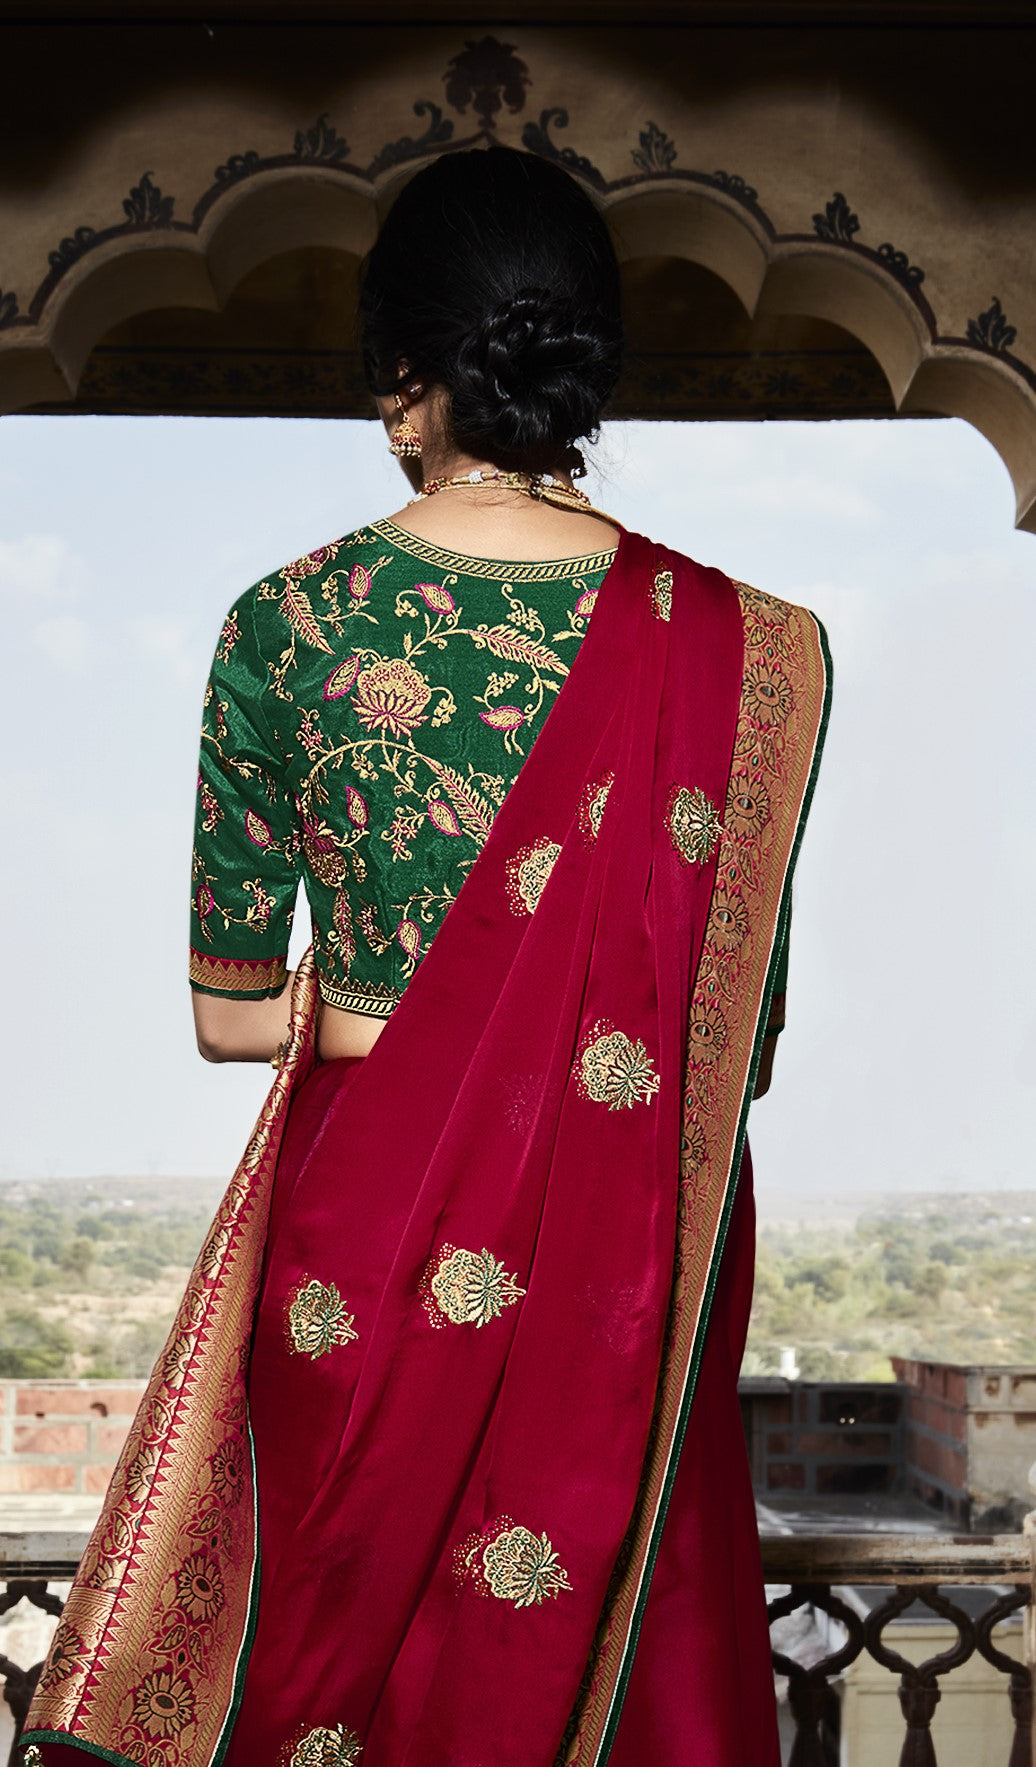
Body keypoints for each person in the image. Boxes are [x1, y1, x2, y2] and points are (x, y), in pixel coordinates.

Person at [23, 144, 830, 1767]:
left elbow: (231, 1018)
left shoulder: (289, 626)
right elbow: (732, 1048)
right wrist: (540, 1034)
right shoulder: (756, 652)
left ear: (404, 373)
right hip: (623, 1246)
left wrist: (420, 1021)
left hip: (361, 1247)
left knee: (347, 1678)